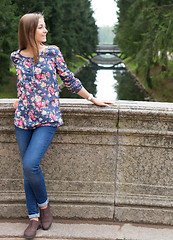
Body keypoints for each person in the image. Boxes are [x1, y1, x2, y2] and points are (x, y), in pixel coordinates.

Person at [10, 13, 113, 239]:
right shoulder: (16, 57)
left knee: (30, 163)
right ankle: (33, 217)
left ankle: (44, 206)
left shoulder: (52, 52)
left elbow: (69, 79)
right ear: (29, 31)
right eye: (41, 27)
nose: (46, 31)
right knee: (28, 170)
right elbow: (23, 82)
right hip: (23, 119)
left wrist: (91, 98)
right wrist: (20, 97)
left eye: (45, 27)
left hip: (47, 118)